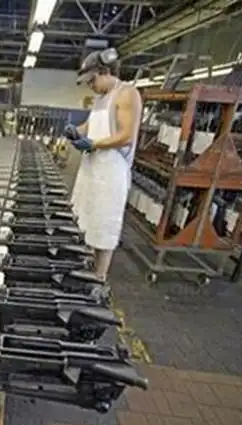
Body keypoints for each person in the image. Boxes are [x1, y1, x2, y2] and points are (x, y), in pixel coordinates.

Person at [64, 48, 142, 281]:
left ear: (104, 72)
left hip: (111, 173)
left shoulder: (127, 94)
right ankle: (85, 266)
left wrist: (94, 144)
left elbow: (127, 136)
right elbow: (90, 126)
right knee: (86, 218)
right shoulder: (100, 99)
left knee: (105, 226)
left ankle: (99, 277)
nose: (91, 86)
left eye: (92, 80)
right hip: (92, 169)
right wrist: (75, 132)